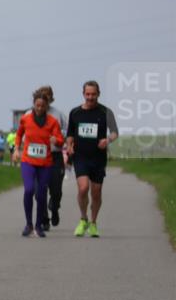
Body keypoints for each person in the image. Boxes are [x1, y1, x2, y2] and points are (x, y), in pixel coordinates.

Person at [66, 80, 119, 238]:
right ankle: (83, 219)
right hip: (81, 157)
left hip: (98, 158)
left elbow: (115, 132)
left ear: (98, 94)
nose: (90, 97)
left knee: (96, 193)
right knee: (83, 188)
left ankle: (94, 223)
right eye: (87, 94)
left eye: (93, 94)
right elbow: (70, 134)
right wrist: (69, 146)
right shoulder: (75, 112)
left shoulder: (105, 112)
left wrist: (107, 140)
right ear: (83, 94)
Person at [13, 90, 64, 237]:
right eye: (37, 105)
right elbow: (19, 134)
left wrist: (56, 140)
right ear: (34, 104)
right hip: (28, 161)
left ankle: (38, 225)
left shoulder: (52, 122)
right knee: (29, 190)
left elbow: (60, 140)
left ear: (47, 106)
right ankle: (28, 224)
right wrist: (16, 149)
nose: (40, 108)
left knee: (41, 195)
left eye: (43, 106)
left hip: (45, 163)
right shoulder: (26, 119)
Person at [34, 86, 68, 230]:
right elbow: (23, 133)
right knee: (38, 191)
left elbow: (67, 130)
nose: (44, 100)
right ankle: (44, 218)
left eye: (47, 97)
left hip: (55, 156)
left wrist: (59, 137)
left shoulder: (58, 114)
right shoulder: (31, 113)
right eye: (42, 96)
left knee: (56, 190)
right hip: (38, 156)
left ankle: (54, 208)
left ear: (51, 99)